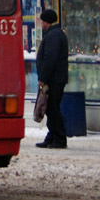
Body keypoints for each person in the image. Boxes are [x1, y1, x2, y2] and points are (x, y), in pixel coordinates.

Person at [35, 8, 69, 149]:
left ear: (47, 22)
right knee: (50, 108)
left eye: (42, 21)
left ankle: (59, 138)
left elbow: (50, 59)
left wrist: (43, 78)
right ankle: (52, 136)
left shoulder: (53, 36)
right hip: (55, 78)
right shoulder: (55, 34)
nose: (41, 23)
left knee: (52, 109)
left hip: (54, 79)